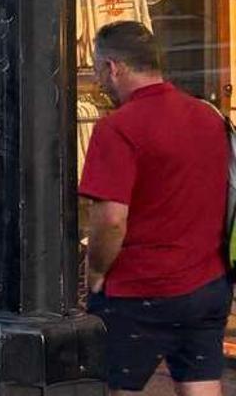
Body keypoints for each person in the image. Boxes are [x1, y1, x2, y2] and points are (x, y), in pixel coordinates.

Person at [79, 21, 231, 396]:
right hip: (208, 282)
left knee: (119, 386)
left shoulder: (116, 128)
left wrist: (96, 272)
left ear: (114, 68)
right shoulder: (209, 116)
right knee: (201, 384)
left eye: (100, 70)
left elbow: (111, 219)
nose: (100, 80)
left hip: (140, 286)